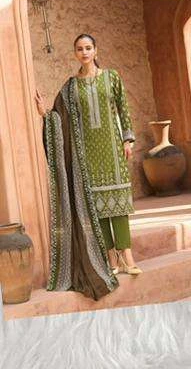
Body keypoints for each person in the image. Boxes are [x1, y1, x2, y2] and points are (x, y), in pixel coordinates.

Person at [35, 33, 141, 298]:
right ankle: (111, 259)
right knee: (98, 208)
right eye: (80, 49)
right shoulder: (71, 87)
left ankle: (128, 257)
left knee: (119, 205)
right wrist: (45, 114)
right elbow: (59, 116)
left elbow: (123, 108)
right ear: (75, 53)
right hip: (87, 155)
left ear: (96, 50)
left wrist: (128, 139)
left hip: (113, 149)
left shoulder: (112, 77)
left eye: (88, 48)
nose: (84, 52)